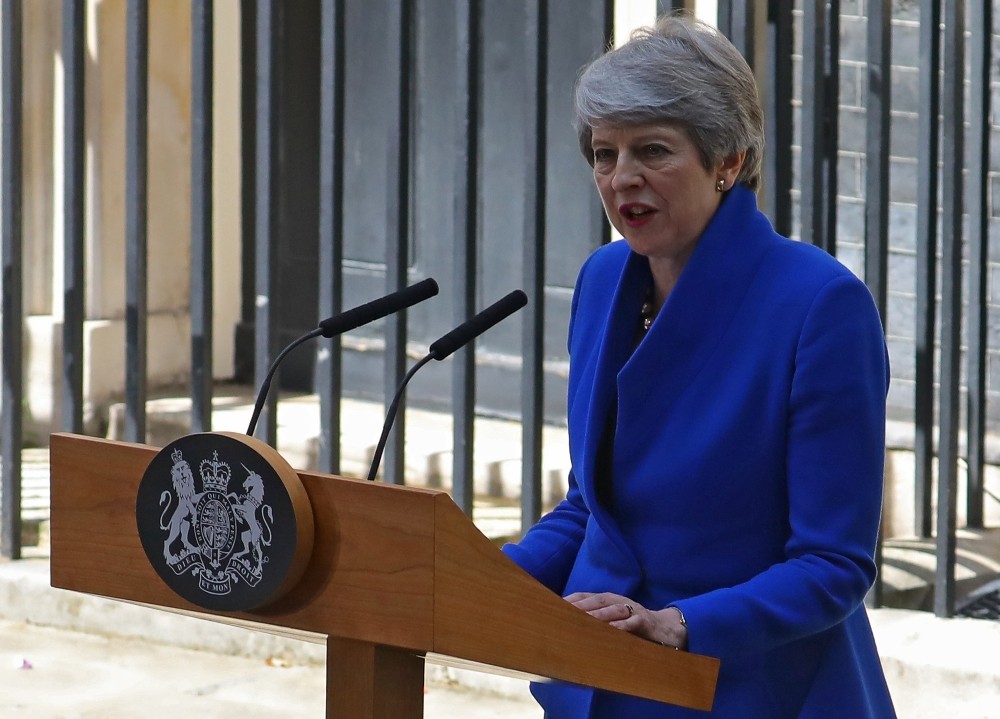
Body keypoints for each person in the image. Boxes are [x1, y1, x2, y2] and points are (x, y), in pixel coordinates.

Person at [502, 12, 897, 718]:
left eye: (653, 150)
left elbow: (834, 564)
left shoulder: (819, 305)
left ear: (728, 162)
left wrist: (678, 623)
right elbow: (595, 509)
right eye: (604, 153)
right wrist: (474, 579)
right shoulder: (602, 280)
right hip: (599, 683)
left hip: (747, 690)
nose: (623, 177)